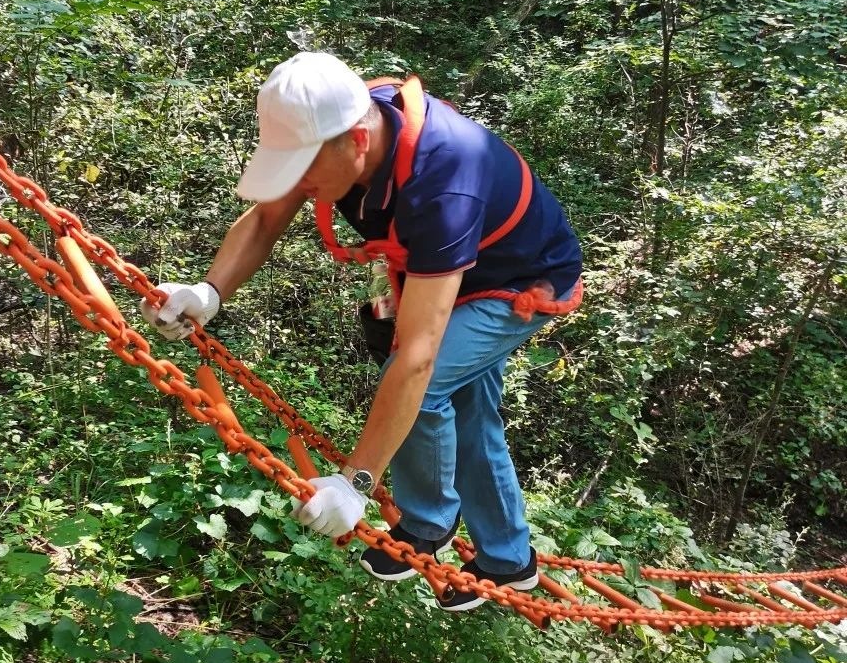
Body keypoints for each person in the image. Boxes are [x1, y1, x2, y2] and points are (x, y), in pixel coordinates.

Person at [141, 52, 582, 612]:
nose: (297, 183)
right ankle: (508, 557)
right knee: (470, 409)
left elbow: (419, 356)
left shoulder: (444, 183)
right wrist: (210, 291)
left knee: (429, 385)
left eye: (304, 169)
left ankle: (426, 524)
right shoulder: (335, 134)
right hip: (447, 270)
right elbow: (264, 219)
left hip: (521, 281)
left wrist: (357, 480)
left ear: (357, 141)